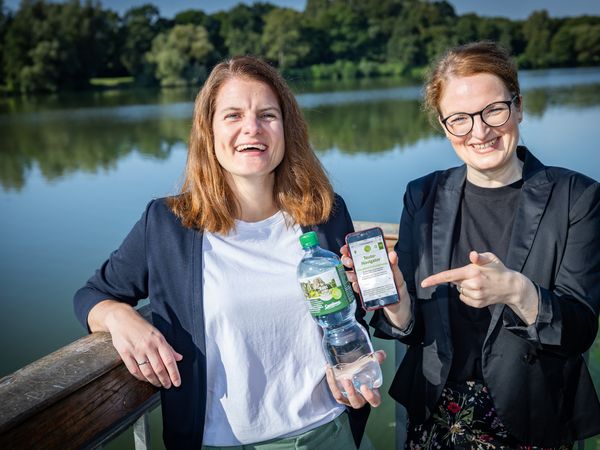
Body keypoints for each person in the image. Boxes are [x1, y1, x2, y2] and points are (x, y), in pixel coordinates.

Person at [73, 56, 379, 449]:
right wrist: (118, 316)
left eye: (267, 114)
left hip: (329, 432)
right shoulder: (168, 224)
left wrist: (355, 364)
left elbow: (349, 315)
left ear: (287, 129)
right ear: (209, 131)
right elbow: (91, 295)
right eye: (233, 115)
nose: (252, 128)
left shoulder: (325, 213)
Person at [338, 42, 600, 448]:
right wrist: (396, 298)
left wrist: (517, 290)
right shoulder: (421, 196)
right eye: (459, 119)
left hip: (531, 416)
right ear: (444, 126)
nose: (479, 132)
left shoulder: (577, 197)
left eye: (494, 110)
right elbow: (410, 329)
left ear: (519, 106)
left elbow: (579, 330)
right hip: (435, 415)